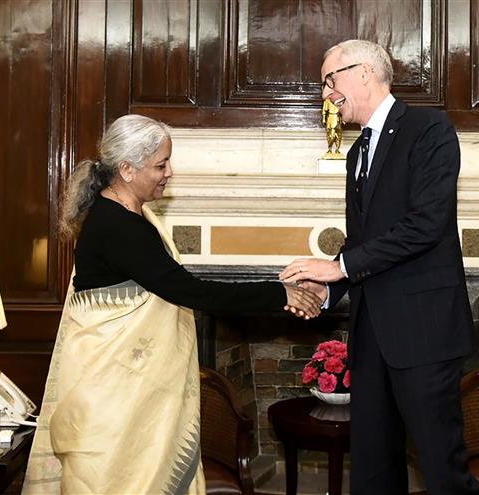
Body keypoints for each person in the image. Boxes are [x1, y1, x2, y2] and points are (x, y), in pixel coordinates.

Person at [22, 114, 322, 495]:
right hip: (113, 399)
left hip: (122, 392)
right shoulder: (118, 227)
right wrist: (280, 292)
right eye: (160, 164)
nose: (169, 172)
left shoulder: (129, 214)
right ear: (127, 169)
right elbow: (193, 293)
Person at [280, 40, 479, 494]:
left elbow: (425, 226)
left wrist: (339, 266)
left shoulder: (429, 128)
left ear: (365, 74)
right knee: (372, 470)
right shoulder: (357, 153)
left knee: (442, 469)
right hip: (372, 334)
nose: (326, 94)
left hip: (424, 333)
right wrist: (325, 289)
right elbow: (364, 243)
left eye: (330, 80)